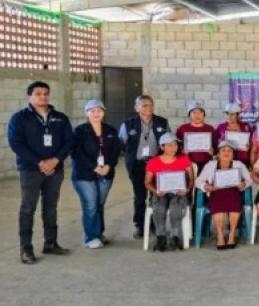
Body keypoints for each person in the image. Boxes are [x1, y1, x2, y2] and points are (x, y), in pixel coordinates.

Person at [8, 81, 73, 264]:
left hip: (55, 170)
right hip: (30, 170)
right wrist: (39, 162)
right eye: (38, 93)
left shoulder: (60, 118)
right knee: (28, 208)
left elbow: (69, 141)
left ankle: (50, 243)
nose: (43, 96)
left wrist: (56, 160)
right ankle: (26, 249)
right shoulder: (19, 118)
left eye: (46, 93)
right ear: (29, 96)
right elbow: (16, 143)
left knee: (51, 207)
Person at [71, 100, 121, 249]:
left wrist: (109, 166)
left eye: (99, 110)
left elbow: (116, 151)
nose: (96, 113)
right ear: (86, 113)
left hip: (106, 173)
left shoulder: (111, 130)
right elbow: (76, 153)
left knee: (99, 204)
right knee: (91, 205)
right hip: (84, 175)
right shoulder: (79, 131)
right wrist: (94, 167)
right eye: (92, 111)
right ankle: (91, 237)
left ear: (104, 112)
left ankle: (98, 233)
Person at [119, 95, 170, 239]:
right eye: (144, 105)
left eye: (151, 105)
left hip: (157, 165)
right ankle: (140, 226)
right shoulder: (128, 124)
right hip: (137, 165)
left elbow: (168, 141)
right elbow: (121, 144)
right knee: (140, 196)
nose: (149, 108)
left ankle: (155, 224)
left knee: (156, 195)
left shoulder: (162, 122)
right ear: (137, 108)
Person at [195, 140, 252, 250]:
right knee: (217, 202)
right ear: (218, 153)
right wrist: (206, 186)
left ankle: (232, 234)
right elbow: (198, 181)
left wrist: (244, 184)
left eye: (229, 151)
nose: (226, 153)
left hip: (234, 192)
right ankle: (220, 234)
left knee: (234, 202)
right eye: (223, 150)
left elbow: (249, 179)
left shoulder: (239, 164)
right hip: (216, 191)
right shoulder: (210, 165)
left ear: (233, 154)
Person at [144, 133, 194, 252]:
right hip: (160, 193)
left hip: (178, 193)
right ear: (162, 147)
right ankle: (160, 237)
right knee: (159, 208)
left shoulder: (184, 159)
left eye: (175, 145)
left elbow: (191, 179)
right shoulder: (153, 162)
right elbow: (147, 182)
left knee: (175, 208)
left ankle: (175, 237)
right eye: (169, 145)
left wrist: (187, 190)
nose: (173, 148)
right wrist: (155, 191)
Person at [176, 101, 216, 172]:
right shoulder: (182, 128)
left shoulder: (210, 129)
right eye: (194, 112)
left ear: (204, 115)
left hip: (206, 163)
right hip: (187, 163)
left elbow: (216, 147)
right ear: (189, 115)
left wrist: (213, 151)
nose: (197, 115)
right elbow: (176, 146)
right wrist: (181, 151)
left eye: (200, 112)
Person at [214, 102, 252, 167]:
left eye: (232, 114)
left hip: (243, 158)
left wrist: (249, 145)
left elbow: (251, 141)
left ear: (237, 115)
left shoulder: (246, 126)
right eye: (227, 114)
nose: (229, 116)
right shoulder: (220, 127)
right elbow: (215, 143)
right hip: (226, 159)